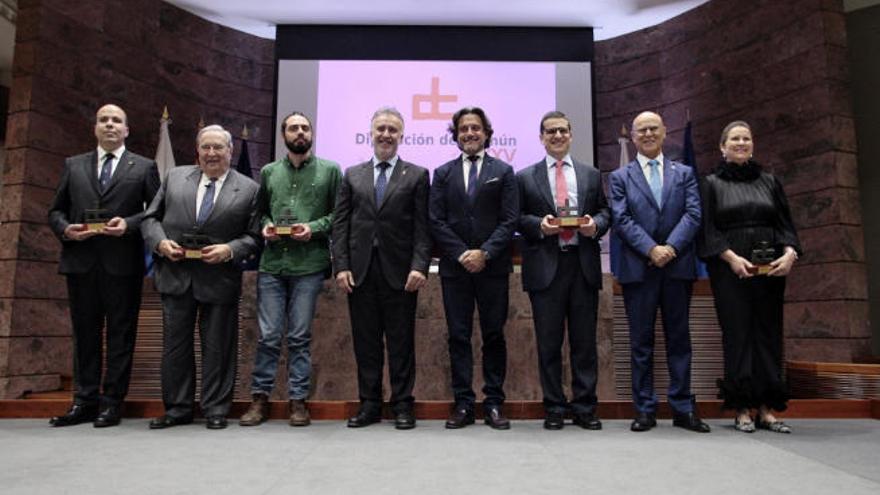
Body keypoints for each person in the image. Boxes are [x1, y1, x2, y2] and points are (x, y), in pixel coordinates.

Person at [47, 104, 160, 427]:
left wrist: (128, 223)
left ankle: (112, 403)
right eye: (103, 120)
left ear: (126, 130)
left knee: (121, 335)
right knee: (85, 335)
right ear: (95, 128)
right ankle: (83, 401)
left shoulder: (144, 167)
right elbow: (55, 211)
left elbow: (154, 212)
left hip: (122, 264)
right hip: (81, 262)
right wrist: (65, 229)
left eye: (117, 121)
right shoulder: (73, 165)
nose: (110, 125)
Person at [142, 125, 260, 430]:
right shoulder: (174, 177)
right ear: (198, 150)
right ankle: (178, 408)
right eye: (205, 147)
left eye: (218, 147)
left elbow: (255, 236)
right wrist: (160, 242)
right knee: (175, 346)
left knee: (218, 347)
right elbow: (150, 218)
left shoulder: (249, 188)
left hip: (219, 279)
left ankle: (216, 408)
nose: (211, 153)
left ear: (230, 152)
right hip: (176, 275)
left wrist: (230, 249)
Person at [608, 111, 710, 433]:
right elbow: (621, 220)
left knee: (680, 340)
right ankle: (645, 409)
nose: (648, 134)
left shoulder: (685, 173)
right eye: (641, 130)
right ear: (633, 137)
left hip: (677, 267)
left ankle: (682, 408)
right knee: (641, 343)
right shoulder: (619, 177)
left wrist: (671, 248)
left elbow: (694, 214)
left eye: (654, 128)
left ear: (665, 132)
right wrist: (652, 249)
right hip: (639, 270)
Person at [331, 107, 431, 430]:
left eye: (392, 129)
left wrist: (420, 266)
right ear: (371, 133)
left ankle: (402, 404)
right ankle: (369, 404)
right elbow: (340, 225)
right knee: (366, 342)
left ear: (402, 136)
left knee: (401, 342)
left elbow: (422, 228)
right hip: (360, 273)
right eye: (381, 129)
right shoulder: (352, 174)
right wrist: (341, 266)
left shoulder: (417, 175)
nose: (386, 134)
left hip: (401, 275)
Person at [239, 112, 341, 427]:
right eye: (293, 127)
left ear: (312, 133)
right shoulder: (269, 172)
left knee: (299, 336)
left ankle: (298, 402)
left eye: (305, 127)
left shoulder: (330, 171)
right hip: (272, 265)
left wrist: (312, 227)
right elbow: (260, 214)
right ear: (284, 134)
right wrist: (268, 226)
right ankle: (260, 401)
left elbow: (339, 215)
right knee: (268, 336)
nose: (299, 132)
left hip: (309, 265)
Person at [699, 120, 801, 434]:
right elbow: (708, 231)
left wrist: (790, 253)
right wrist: (731, 258)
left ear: (753, 144)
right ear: (722, 146)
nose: (741, 143)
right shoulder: (711, 183)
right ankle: (742, 407)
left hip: (771, 271)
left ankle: (767, 408)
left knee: (768, 335)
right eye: (735, 139)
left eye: (746, 138)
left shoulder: (771, 182)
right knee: (738, 335)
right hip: (732, 270)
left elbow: (786, 225)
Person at [516, 111, 610, 430]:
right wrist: (539, 226)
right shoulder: (524, 177)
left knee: (584, 342)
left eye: (562, 131)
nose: (557, 136)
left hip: (582, 265)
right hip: (545, 268)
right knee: (548, 342)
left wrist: (595, 225)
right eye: (550, 132)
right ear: (541, 138)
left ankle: (585, 407)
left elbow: (605, 212)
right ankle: (554, 407)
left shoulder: (590, 175)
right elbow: (516, 217)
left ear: (571, 135)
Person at [429, 107, 519, 430]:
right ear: (455, 134)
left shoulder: (504, 171)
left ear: (486, 133)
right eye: (464, 128)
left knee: (494, 335)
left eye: (476, 128)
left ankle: (494, 402)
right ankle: (464, 404)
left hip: (492, 268)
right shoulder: (442, 173)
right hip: (455, 270)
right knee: (458, 336)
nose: (470, 133)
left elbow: (510, 220)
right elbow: (435, 220)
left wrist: (485, 253)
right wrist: (463, 253)